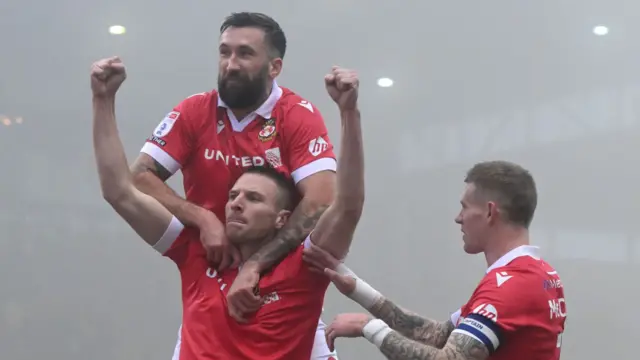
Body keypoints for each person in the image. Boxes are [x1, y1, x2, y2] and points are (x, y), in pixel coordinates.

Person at [90, 54, 363, 359]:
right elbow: (120, 191)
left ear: (281, 219)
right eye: (233, 196)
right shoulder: (196, 251)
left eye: (254, 198)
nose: (236, 204)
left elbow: (345, 206)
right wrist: (103, 99)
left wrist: (349, 114)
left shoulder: (304, 264)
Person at [128, 12, 339, 357]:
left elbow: (321, 201)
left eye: (245, 54)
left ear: (274, 67)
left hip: (285, 292)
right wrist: (203, 218)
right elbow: (138, 177)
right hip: (210, 284)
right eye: (225, 52)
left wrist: (256, 265)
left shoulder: (298, 115)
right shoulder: (195, 111)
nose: (231, 64)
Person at [303, 161, 567, 360]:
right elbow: (439, 335)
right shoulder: (538, 274)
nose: (458, 217)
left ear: (489, 212)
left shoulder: (511, 286)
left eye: (465, 206)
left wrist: (368, 327)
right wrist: (355, 287)